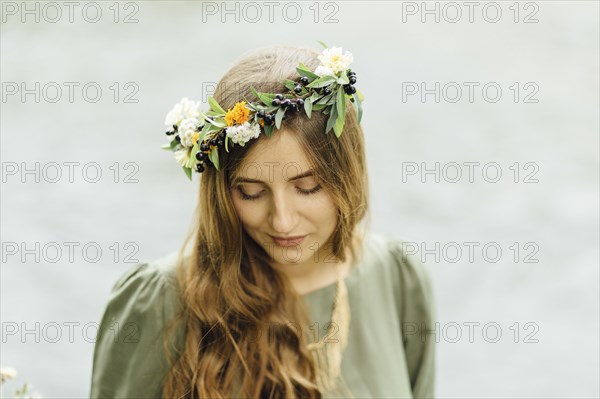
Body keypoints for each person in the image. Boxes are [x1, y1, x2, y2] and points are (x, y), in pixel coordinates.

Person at [90, 44, 436, 398]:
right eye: (252, 192)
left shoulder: (396, 278)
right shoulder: (161, 300)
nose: (282, 222)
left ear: (347, 174)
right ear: (221, 192)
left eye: (308, 187)